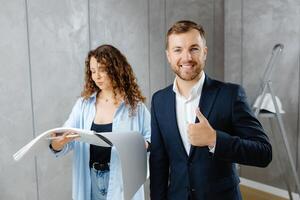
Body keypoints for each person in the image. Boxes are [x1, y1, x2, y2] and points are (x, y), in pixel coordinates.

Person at [150, 20, 272, 200]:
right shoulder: (159, 100)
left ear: (204, 52)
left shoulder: (230, 95)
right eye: (178, 50)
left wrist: (215, 139)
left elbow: (263, 152)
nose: (187, 57)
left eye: (194, 48)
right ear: (168, 55)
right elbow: (158, 162)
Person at [49, 44, 150, 200]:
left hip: (121, 180)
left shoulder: (136, 107)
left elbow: (153, 140)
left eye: (102, 70)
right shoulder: (83, 105)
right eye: (93, 71)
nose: (97, 76)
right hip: (91, 179)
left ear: (116, 69)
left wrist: (143, 145)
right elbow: (64, 140)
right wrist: (57, 143)